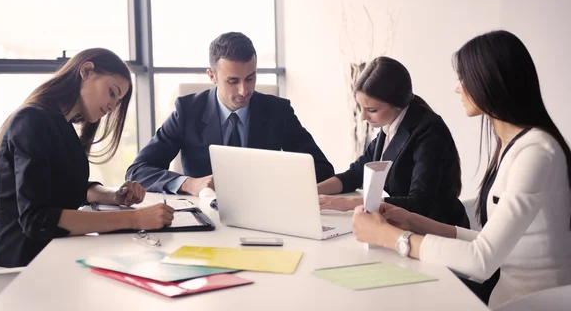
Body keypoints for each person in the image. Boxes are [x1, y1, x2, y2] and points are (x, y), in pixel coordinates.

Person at [352, 30, 571, 307]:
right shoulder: (515, 145)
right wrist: (413, 221)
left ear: (489, 82)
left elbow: (481, 259)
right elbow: (492, 244)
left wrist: (391, 237)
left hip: (533, 302)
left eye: (463, 78)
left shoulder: (536, 153)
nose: (458, 87)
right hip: (506, 294)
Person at [0, 48, 175, 268]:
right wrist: (135, 219)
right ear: (86, 71)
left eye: (119, 101)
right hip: (22, 268)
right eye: (112, 93)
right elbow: (38, 221)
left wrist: (114, 196)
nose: (113, 106)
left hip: (51, 256)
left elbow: (61, 188)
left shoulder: (61, 125)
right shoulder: (31, 120)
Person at [126, 32, 334, 195]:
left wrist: (275, 180)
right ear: (212, 76)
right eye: (233, 81)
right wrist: (190, 184)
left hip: (264, 212)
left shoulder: (277, 112)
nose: (244, 91)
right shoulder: (187, 111)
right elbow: (138, 171)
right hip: (207, 216)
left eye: (251, 78)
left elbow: (322, 169)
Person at [317, 56, 469, 228]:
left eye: (372, 110)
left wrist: (348, 203)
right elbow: (356, 173)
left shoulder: (429, 131)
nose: (363, 117)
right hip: (405, 228)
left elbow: (419, 203)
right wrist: (313, 192)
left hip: (439, 231)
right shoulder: (389, 125)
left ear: (398, 104)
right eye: (361, 108)